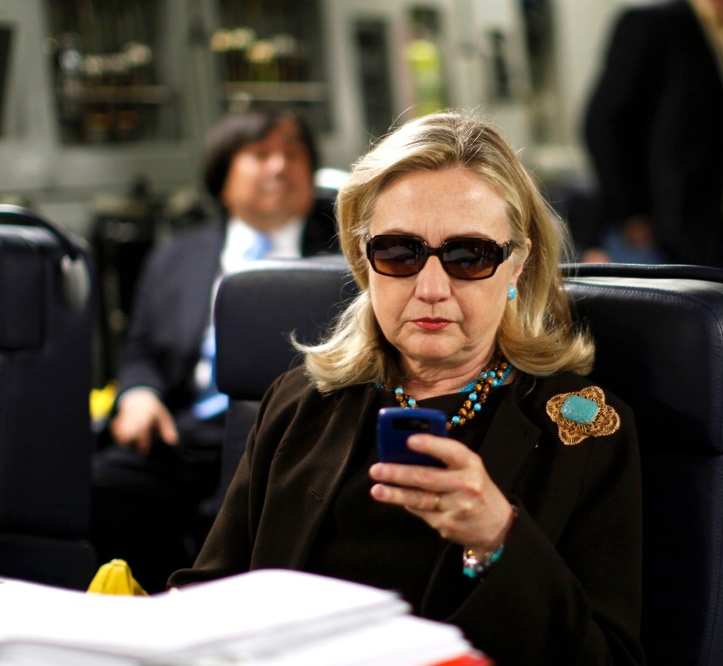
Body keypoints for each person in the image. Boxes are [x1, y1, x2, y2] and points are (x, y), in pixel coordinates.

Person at [169, 111, 643, 665]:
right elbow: (209, 593)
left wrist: (499, 538)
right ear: (362, 260)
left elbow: (606, 658)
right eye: (400, 252)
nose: (432, 288)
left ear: (517, 264)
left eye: (470, 256)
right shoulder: (298, 401)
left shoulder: (584, 427)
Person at [90, 109, 340, 592]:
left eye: (293, 154)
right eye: (260, 154)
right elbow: (141, 349)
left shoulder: (344, 256)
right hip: (184, 432)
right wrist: (139, 393)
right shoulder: (177, 257)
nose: (279, 167)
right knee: (104, 484)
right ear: (222, 177)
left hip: (293, 436)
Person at [582, 0, 723, 265]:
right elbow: (603, 123)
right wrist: (631, 214)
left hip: (710, 236)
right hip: (663, 236)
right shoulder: (654, 25)